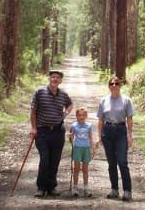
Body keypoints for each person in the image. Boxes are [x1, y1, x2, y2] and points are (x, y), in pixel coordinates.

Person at [30, 70, 73, 198]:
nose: (55, 79)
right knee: (45, 159)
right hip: (42, 131)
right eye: (53, 77)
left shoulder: (63, 94)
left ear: (60, 81)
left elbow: (70, 105)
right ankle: (41, 188)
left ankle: (51, 187)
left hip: (58, 131)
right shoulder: (40, 92)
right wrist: (33, 128)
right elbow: (33, 110)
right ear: (49, 78)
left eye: (57, 77)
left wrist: (65, 113)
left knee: (54, 160)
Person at [94, 76, 135, 201]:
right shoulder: (103, 101)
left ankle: (127, 191)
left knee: (122, 161)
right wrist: (99, 136)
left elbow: (129, 119)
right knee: (111, 163)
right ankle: (114, 189)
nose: (114, 85)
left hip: (121, 130)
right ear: (108, 86)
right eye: (111, 83)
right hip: (107, 131)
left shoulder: (126, 100)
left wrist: (129, 135)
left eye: (116, 83)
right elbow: (100, 119)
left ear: (120, 85)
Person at [68, 107, 96, 197]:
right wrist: (70, 137)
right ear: (76, 116)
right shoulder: (74, 126)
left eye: (83, 115)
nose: (81, 117)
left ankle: (86, 188)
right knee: (76, 169)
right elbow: (71, 139)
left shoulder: (89, 126)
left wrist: (93, 148)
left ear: (86, 116)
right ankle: (75, 187)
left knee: (85, 169)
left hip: (86, 149)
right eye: (79, 115)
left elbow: (91, 137)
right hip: (77, 148)